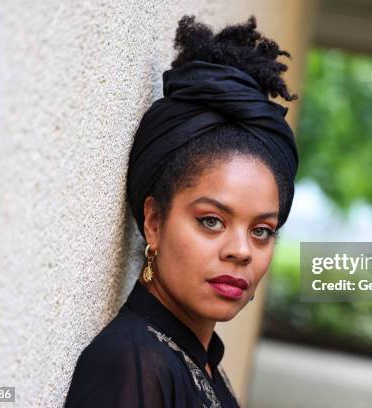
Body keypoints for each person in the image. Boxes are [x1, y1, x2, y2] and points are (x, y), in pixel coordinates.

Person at [64, 14, 299, 407]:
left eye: (261, 230)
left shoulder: (199, 358)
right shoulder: (131, 363)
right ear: (154, 221)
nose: (241, 250)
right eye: (212, 221)